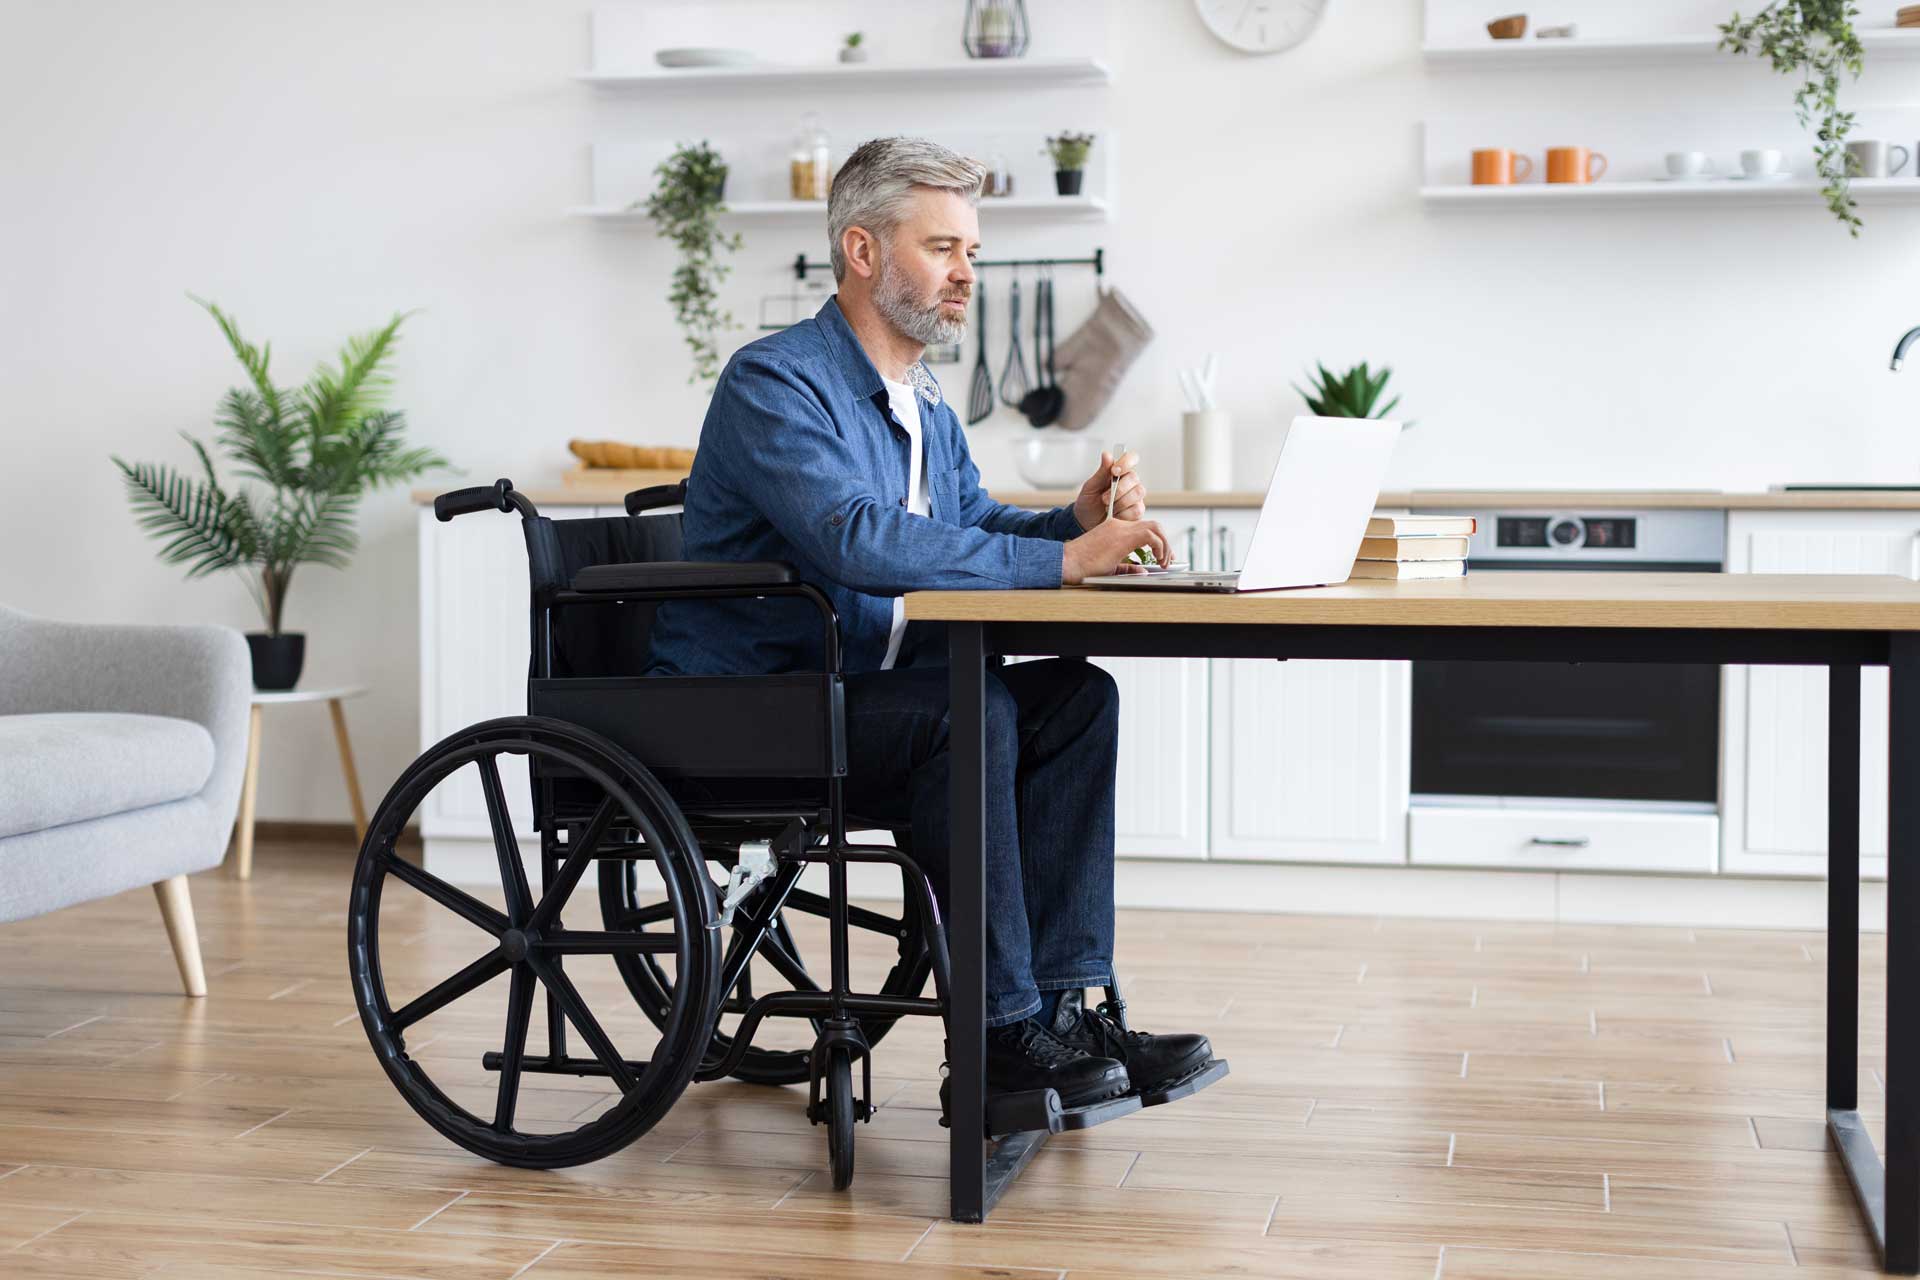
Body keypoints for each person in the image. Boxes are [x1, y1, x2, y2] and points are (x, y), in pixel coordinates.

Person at [645, 137, 1212, 1109]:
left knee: (1075, 695)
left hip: (857, 686)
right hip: (754, 708)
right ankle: (996, 1039)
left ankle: (1067, 1010)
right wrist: (1067, 562)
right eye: (943, 247)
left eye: (973, 253)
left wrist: (1070, 523)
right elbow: (855, 538)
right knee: (970, 709)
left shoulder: (926, 401)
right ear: (862, 251)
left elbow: (970, 527)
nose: (966, 275)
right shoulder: (775, 382)